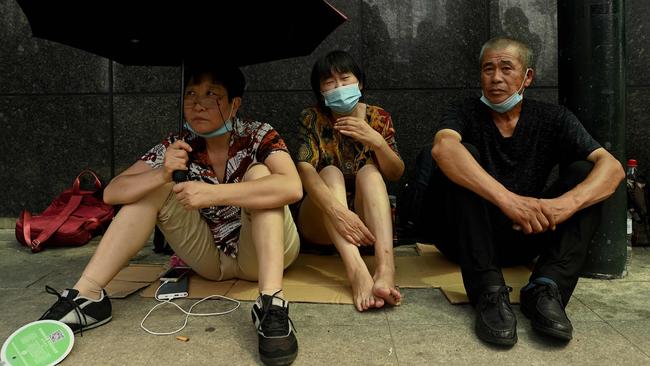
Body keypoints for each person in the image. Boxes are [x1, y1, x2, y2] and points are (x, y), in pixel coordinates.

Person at [39, 63, 303, 366]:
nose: (198, 103)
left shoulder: (258, 134)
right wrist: (162, 173)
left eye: (211, 94)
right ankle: (87, 296)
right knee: (150, 189)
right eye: (190, 93)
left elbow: (292, 187)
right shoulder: (176, 145)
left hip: (262, 256)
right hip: (211, 261)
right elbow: (113, 193)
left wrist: (213, 194)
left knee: (261, 176)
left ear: (234, 104)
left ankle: (271, 304)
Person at [420, 37, 624, 346]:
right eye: (488, 69)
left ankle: (545, 288)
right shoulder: (464, 111)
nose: (496, 78)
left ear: (527, 77)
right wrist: (508, 200)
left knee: (587, 173)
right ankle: (488, 292)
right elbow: (443, 149)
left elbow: (613, 168)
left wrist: (564, 206)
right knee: (461, 157)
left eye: (506, 68)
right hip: (467, 238)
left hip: (527, 231)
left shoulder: (553, 118)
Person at [293, 50, 404, 312]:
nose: (339, 88)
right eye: (330, 83)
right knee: (329, 172)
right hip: (322, 222)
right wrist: (339, 212)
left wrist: (376, 141)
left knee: (370, 172)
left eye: (345, 79)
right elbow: (304, 169)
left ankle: (386, 268)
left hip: (370, 227)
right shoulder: (312, 118)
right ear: (320, 90)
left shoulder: (378, 117)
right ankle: (356, 271)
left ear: (360, 83)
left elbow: (396, 173)